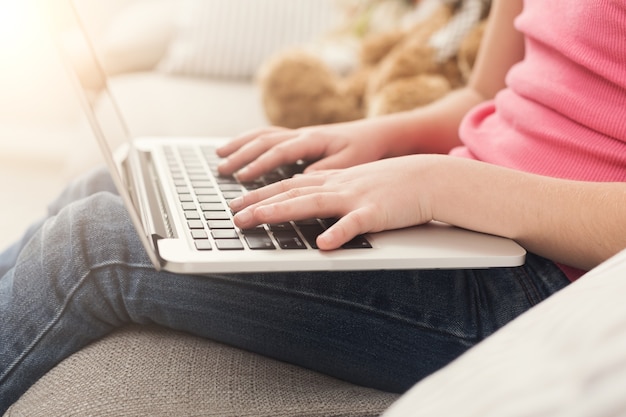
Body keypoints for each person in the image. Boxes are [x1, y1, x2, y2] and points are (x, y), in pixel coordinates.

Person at [1, 0, 625, 411]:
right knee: (108, 186)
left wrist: (445, 186)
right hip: (456, 217)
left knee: (94, 245)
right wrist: (381, 137)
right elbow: (487, 93)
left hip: (543, 282)